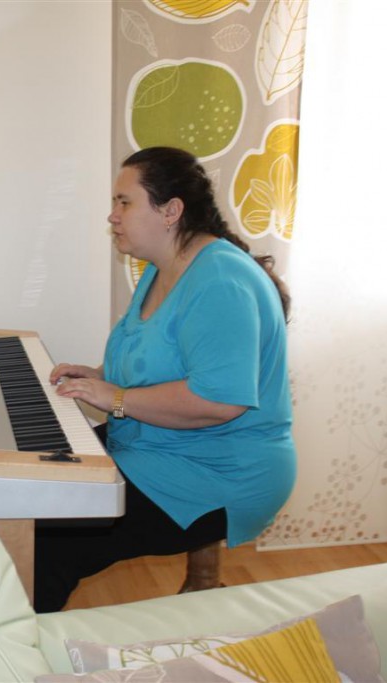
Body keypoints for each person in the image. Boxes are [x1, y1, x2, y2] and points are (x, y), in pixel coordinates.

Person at [33, 146, 296, 613]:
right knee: (39, 473)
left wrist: (115, 397)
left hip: (218, 472)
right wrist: (97, 377)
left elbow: (218, 401)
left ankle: (17, 646)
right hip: (156, 446)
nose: (113, 215)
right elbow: (161, 364)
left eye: (125, 201)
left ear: (171, 211)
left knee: (51, 542)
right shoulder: (163, 269)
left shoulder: (220, 281)